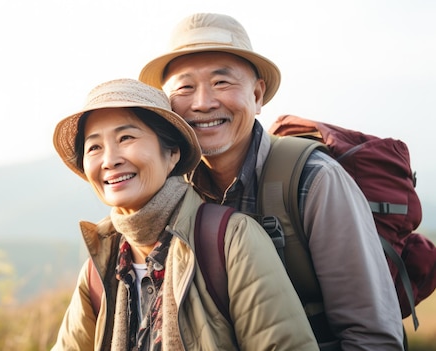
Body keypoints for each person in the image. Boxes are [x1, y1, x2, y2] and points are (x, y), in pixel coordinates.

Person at [138, 13, 404, 350]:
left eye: (222, 83)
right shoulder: (169, 191)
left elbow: (373, 338)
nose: (203, 102)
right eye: (185, 87)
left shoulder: (314, 182)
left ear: (258, 95)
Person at [51, 78, 317, 350]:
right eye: (94, 147)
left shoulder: (231, 241)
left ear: (172, 153)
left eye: (126, 138)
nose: (110, 160)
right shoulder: (101, 266)